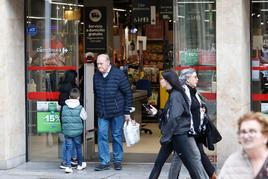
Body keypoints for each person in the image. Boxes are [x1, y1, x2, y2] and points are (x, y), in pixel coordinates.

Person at [148, 70, 209, 179]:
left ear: (167, 81)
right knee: (158, 163)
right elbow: (170, 115)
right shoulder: (173, 94)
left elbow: (174, 117)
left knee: (190, 165)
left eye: (162, 79)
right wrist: (157, 113)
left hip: (178, 136)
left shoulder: (175, 95)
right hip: (173, 135)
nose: (160, 81)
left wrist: (166, 135)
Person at [168, 68, 220, 179]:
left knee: (179, 157)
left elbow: (197, 106)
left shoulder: (193, 91)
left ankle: (210, 175)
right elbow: (182, 111)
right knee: (196, 155)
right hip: (186, 130)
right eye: (195, 77)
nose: (197, 79)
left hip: (195, 130)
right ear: (187, 79)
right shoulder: (182, 92)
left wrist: (202, 110)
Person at [93, 54, 133, 171]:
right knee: (102, 135)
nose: (99, 66)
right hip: (103, 112)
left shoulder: (118, 75)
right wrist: (98, 110)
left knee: (116, 136)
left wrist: (127, 111)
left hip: (117, 112)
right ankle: (104, 162)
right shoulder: (96, 76)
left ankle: (117, 160)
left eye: (101, 64)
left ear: (108, 62)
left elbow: (127, 93)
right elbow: (96, 94)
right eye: (97, 64)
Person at [218, 112, 268, 179]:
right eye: (243, 132)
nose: (246, 136)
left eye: (252, 131)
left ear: (265, 136)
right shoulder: (232, 161)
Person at [61, 88, 87, 173]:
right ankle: (79, 165)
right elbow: (85, 117)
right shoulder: (80, 108)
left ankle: (68, 167)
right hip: (77, 132)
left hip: (67, 132)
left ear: (69, 97)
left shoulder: (64, 107)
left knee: (68, 148)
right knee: (78, 147)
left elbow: (62, 118)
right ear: (78, 97)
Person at [58, 70, 79, 169]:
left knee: (66, 139)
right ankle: (72, 159)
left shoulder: (62, 87)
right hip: (73, 115)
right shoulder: (73, 88)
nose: (76, 79)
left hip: (64, 115)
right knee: (74, 138)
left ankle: (65, 160)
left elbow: (60, 102)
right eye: (76, 77)